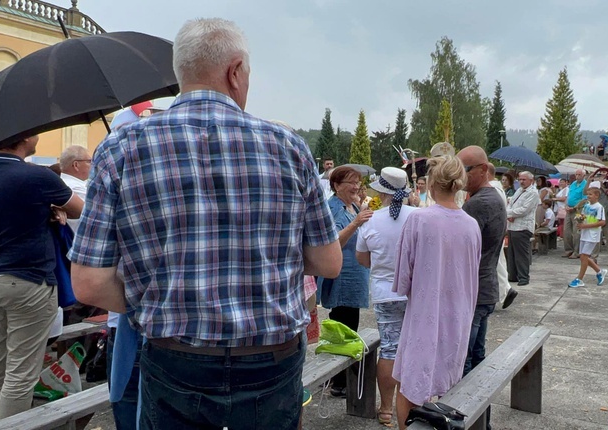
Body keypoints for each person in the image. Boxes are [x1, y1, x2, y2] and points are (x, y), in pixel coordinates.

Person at [68, 18, 342, 430]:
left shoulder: (120, 148)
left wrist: (156, 302)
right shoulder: (289, 147)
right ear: (235, 72)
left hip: (174, 356)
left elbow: (88, 283)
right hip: (271, 358)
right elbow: (328, 263)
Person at [0, 135, 83, 420]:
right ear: (25, 138)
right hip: (29, 279)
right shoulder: (37, 176)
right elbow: (82, 210)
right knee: (20, 374)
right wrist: (52, 210)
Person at [391, 155, 481, 430]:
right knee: (446, 380)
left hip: (425, 311)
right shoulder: (471, 225)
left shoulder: (421, 219)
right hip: (459, 313)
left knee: (410, 385)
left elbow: (402, 276)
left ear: (430, 183)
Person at [355, 167, 416, 428]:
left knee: (389, 348)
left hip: (384, 290)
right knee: (413, 347)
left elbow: (363, 258)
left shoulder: (369, 220)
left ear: (381, 191)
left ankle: (387, 408)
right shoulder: (418, 217)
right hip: (414, 291)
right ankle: (410, 403)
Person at [318, 165, 373, 397]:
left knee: (350, 327)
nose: (356, 186)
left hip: (354, 275)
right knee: (343, 328)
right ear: (336, 185)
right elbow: (332, 242)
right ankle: (338, 381)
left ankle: (338, 378)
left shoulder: (351, 205)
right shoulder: (333, 209)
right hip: (342, 276)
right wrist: (356, 222)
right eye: (350, 182)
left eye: (358, 182)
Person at [457, 147, 507, 384]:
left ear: (483, 170)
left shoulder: (478, 204)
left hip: (474, 290)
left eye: (464, 170)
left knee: (463, 362)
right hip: (485, 288)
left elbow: (459, 251)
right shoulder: (492, 196)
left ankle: (466, 416)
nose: (460, 176)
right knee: (477, 357)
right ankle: (480, 419)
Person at [486, 163, 516, 309]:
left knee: (496, 262)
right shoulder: (498, 188)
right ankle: (505, 290)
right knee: (499, 260)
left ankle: (505, 291)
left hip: (493, 228)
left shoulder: (493, 188)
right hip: (498, 227)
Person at [567, 188, 607, 288]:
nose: (588, 196)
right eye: (588, 194)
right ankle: (599, 271)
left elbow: (602, 222)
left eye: (590, 194)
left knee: (584, 256)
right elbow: (584, 216)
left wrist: (586, 226)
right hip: (584, 234)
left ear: (596, 196)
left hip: (592, 234)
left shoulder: (599, 207)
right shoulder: (587, 206)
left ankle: (579, 279)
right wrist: (580, 219)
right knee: (583, 256)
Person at [506, 171, 539, 286]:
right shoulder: (519, 190)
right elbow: (511, 203)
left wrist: (509, 214)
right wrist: (509, 214)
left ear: (531, 180)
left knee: (521, 254)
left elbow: (524, 209)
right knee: (512, 253)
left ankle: (524, 277)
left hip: (523, 227)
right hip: (513, 226)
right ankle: (513, 275)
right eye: (520, 179)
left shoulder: (533, 193)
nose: (521, 182)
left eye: (524, 179)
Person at [58, 145, 91, 233]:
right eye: (89, 161)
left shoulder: (63, 183)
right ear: (76, 165)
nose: (93, 165)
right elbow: (97, 214)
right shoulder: (73, 187)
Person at [588, 177, 608, 268]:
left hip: (607, 217)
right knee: (595, 238)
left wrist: (602, 186)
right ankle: (594, 257)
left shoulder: (606, 193)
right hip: (595, 218)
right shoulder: (592, 195)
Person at [563, 169, 587, 259]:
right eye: (576, 174)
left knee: (576, 231)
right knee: (567, 230)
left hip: (578, 211)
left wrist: (575, 207)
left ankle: (577, 251)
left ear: (584, 176)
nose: (577, 176)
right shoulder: (573, 184)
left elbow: (584, 199)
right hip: (569, 210)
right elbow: (568, 196)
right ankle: (568, 250)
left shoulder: (585, 185)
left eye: (579, 174)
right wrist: (566, 206)